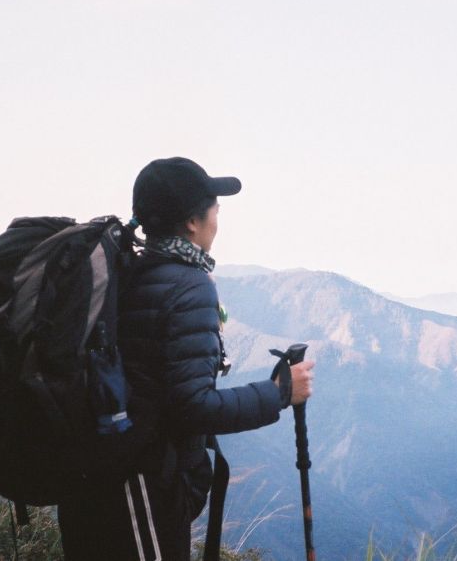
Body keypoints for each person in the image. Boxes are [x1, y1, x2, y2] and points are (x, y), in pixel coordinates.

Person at [57, 157, 315, 561]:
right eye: (214, 207)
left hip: (94, 478)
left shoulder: (129, 270)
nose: (218, 217)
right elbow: (193, 407)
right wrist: (279, 393)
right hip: (138, 488)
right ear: (193, 222)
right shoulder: (187, 285)